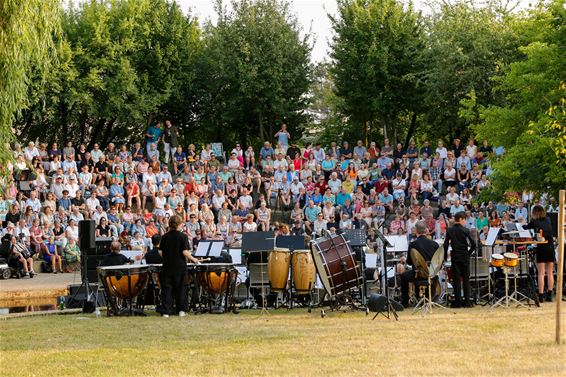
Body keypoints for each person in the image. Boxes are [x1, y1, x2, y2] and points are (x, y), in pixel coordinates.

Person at [158, 215, 200, 317]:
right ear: (179, 224)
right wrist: (194, 259)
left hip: (167, 266)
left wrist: (168, 256)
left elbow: (160, 252)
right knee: (181, 288)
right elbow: (185, 252)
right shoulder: (183, 236)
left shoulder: (164, 236)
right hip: (180, 267)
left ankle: (166, 312)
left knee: (167, 289)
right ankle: (181, 310)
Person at [400, 221, 438, 308]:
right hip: (431, 274)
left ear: (416, 231)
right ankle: (430, 299)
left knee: (403, 276)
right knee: (434, 276)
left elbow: (409, 262)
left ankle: (405, 302)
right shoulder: (434, 244)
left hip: (418, 274)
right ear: (426, 230)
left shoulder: (413, 244)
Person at [443, 211, 476, 308]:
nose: (465, 221)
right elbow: (473, 244)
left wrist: (445, 256)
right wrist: (468, 253)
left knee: (456, 280)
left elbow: (445, 244)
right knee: (466, 278)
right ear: (461, 219)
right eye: (464, 219)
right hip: (464, 255)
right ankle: (467, 301)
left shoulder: (449, 230)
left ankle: (457, 301)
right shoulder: (465, 230)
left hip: (455, 256)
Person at [524, 205, 555, 302]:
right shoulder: (548, 219)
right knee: (550, 272)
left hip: (541, 247)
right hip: (550, 247)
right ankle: (550, 295)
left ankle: (541, 296)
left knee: (541, 273)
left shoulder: (534, 221)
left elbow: (526, 227)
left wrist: (522, 224)